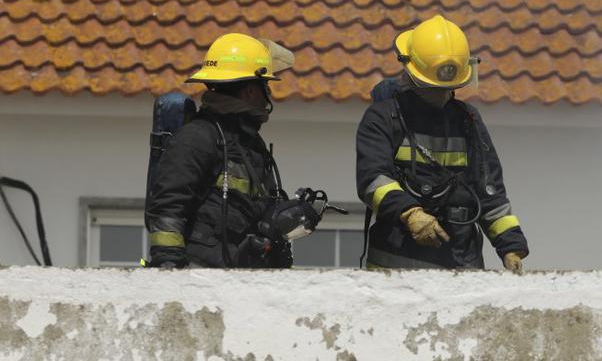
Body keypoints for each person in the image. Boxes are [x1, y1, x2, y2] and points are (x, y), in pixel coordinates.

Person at [356, 15, 529, 271]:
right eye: (432, 87)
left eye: (447, 87)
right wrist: (411, 214)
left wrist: (510, 245)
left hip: (461, 263)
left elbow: (489, 190)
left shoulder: (468, 119)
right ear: (411, 73)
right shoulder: (383, 117)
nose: (440, 94)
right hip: (394, 268)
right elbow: (374, 179)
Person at [146, 33, 317, 268]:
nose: (268, 93)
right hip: (200, 278)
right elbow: (168, 206)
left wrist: (279, 219)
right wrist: (171, 268)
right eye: (264, 85)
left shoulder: (247, 144)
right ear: (250, 91)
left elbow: (248, 209)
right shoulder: (198, 138)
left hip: (237, 276)